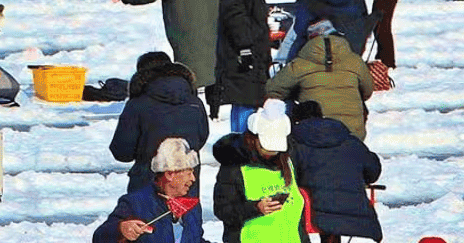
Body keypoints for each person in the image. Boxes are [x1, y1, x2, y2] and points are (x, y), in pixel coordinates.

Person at [109, 53, 210, 192]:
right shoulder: (195, 103)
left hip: (147, 187)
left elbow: (121, 152)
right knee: (185, 213)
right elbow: (201, 138)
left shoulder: (137, 105)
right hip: (187, 188)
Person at [212, 0, 283, 130]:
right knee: (246, 100)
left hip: (248, 48)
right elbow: (235, 14)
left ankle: (238, 144)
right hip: (242, 51)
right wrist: (245, 47)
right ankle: (241, 146)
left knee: (244, 100)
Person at [288, 101, 383, 243]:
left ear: (296, 120)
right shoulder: (349, 140)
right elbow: (372, 172)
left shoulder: (294, 143)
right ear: (321, 115)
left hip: (314, 210)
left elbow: (289, 176)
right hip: (355, 210)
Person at [212, 99, 305, 243]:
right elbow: (223, 210)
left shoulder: (289, 162)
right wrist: (255, 208)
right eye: (266, 147)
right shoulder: (234, 167)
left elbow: (298, 218)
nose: (271, 153)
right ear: (253, 139)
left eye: (276, 149)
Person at [265, 19, 374, 141]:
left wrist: (295, 94)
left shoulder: (300, 64)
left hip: (315, 134)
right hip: (353, 135)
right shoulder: (355, 61)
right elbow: (368, 91)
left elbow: (272, 89)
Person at [93, 138, 204, 243]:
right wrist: (121, 229)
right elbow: (99, 237)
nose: (193, 179)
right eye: (188, 173)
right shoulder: (135, 203)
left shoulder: (192, 206)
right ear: (170, 174)